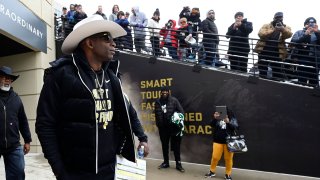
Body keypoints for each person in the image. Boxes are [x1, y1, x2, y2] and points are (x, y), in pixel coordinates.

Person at [36, 15, 149, 180]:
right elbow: (45, 125)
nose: (113, 43)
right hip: (75, 172)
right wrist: (59, 170)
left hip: (108, 169)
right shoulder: (60, 75)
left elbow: (128, 110)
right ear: (89, 43)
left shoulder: (112, 78)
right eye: (106, 38)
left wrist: (143, 137)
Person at [0, 66, 32, 180]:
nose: (6, 80)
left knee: (18, 174)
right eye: (3, 77)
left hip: (13, 145)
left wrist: (27, 140)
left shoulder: (16, 99)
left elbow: (23, 120)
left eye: (9, 78)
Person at [154, 87, 185, 172]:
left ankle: (178, 164)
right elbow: (157, 114)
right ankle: (166, 162)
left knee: (176, 147)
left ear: (168, 92)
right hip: (163, 129)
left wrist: (175, 118)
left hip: (174, 128)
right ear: (161, 93)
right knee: (164, 146)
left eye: (166, 91)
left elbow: (181, 112)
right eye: (163, 91)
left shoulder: (174, 101)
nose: (164, 93)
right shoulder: (158, 102)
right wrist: (159, 125)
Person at [254, 12, 292, 80]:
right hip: (264, 50)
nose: (279, 19)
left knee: (277, 70)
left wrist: (282, 29)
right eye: (277, 17)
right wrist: (273, 30)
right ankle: (262, 81)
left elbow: (289, 35)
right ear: (274, 18)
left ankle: (276, 84)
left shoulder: (286, 27)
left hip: (277, 51)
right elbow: (260, 34)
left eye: (280, 17)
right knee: (262, 68)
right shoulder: (266, 25)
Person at [205, 106, 238, 180]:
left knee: (228, 159)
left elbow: (235, 126)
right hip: (217, 141)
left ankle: (228, 174)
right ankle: (212, 171)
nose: (223, 113)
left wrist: (228, 122)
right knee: (215, 157)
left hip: (229, 142)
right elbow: (211, 125)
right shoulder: (217, 117)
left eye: (225, 112)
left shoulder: (231, 117)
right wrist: (215, 118)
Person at [290, 17, 320, 86]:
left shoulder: (318, 32)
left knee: (314, 81)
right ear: (305, 24)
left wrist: (318, 33)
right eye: (308, 23)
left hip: (316, 59)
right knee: (302, 79)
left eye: (313, 23)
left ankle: (312, 96)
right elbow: (293, 42)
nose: (311, 25)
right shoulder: (299, 32)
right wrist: (305, 35)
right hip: (303, 58)